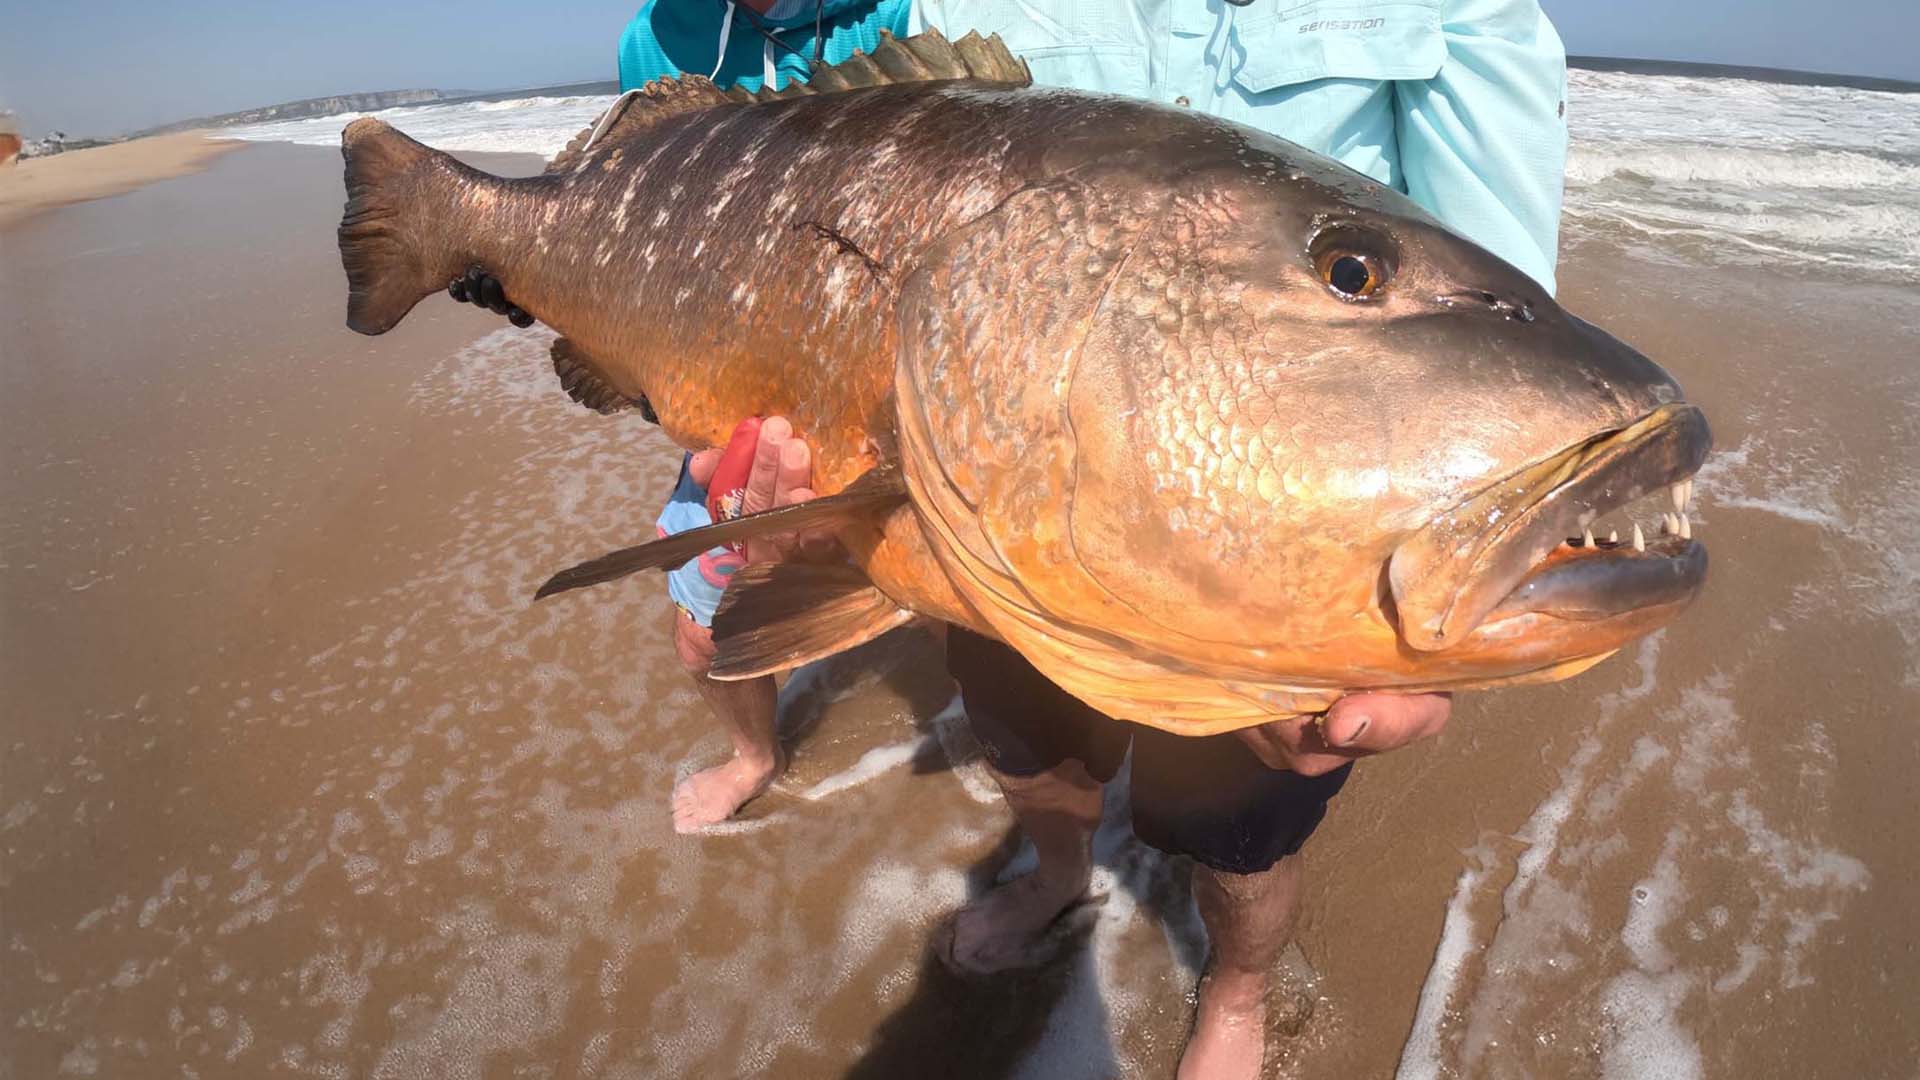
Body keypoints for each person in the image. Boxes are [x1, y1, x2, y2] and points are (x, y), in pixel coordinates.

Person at [464, 1, 1565, 1073]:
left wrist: (1455, 538)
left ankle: (1237, 987)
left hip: (1261, 554)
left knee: (1243, 829)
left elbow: (1505, 349)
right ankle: (1056, 875)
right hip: (985, 487)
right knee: (1032, 748)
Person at [456, 0, 913, 833]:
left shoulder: (902, 10)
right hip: (742, 384)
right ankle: (755, 756)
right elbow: (645, 205)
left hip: (887, 366)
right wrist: (528, 279)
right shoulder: (658, 36)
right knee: (702, 634)